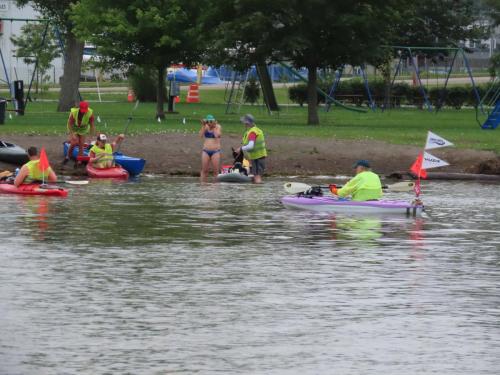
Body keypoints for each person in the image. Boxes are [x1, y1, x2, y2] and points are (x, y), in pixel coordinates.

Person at [235, 114, 267, 183]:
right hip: (257, 157)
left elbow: (250, 146)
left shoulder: (252, 132)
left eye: (244, 122)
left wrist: (241, 149)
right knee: (256, 176)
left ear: (247, 123)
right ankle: (256, 191)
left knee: (257, 177)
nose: (243, 124)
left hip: (258, 158)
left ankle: (258, 192)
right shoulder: (254, 130)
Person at [64, 101, 96, 166]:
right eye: (82, 110)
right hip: (73, 127)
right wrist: (72, 134)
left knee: (81, 144)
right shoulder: (74, 112)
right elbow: (70, 124)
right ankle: (68, 157)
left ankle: (79, 161)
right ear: (79, 108)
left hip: (83, 129)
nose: (84, 112)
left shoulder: (90, 113)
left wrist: (91, 136)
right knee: (74, 142)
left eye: (85, 110)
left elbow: (92, 126)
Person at [199, 114, 222, 182]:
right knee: (204, 170)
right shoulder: (205, 127)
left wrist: (214, 127)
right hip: (206, 151)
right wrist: (203, 125)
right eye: (208, 121)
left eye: (211, 121)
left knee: (215, 171)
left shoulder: (218, 127)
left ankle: (215, 188)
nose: (209, 123)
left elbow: (216, 135)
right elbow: (200, 135)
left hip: (215, 151)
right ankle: (202, 185)